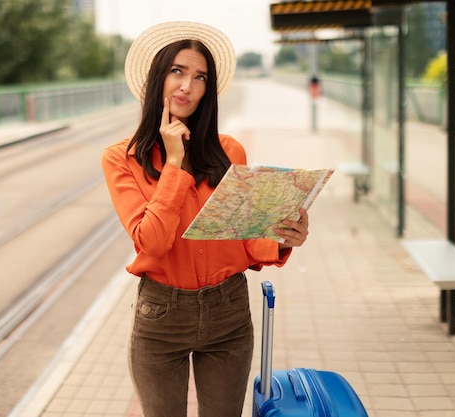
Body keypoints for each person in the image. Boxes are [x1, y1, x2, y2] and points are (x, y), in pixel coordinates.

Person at [101, 21, 309, 417]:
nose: (187, 86)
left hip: (228, 310)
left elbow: (245, 241)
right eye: (177, 71)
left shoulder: (229, 152)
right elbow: (153, 242)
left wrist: (283, 238)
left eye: (200, 78)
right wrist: (175, 162)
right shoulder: (120, 158)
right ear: (157, 77)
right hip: (161, 317)